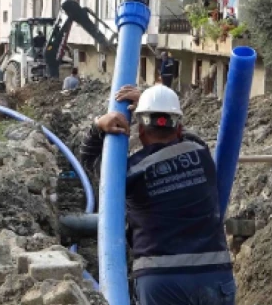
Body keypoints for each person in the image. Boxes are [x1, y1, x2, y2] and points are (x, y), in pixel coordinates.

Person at [80, 84, 235, 305]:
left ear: (141, 131)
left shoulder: (130, 173)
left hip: (161, 279)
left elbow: (89, 160)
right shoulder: (201, 153)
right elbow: (185, 135)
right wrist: (150, 102)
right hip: (214, 273)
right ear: (178, 127)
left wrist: (98, 127)